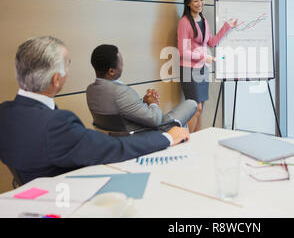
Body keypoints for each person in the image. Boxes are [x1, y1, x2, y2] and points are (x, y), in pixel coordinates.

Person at [0, 36, 190, 185]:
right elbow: (115, 148)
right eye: (68, 65)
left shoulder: (5, 112)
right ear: (56, 80)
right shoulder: (57, 124)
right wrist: (167, 137)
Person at [86, 44, 197, 131]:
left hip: (117, 136)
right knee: (191, 104)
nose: (123, 66)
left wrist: (143, 102)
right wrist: (153, 103)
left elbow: (124, 110)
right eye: (121, 63)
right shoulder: (121, 92)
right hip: (144, 135)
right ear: (111, 71)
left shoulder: (90, 90)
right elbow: (155, 120)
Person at [177, 0, 238, 133]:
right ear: (188, 3)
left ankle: (197, 139)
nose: (200, 3)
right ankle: (187, 139)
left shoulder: (203, 20)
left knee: (201, 108)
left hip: (202, 68)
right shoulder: (184, 22)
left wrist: (227, 27)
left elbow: (211, 42)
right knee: (195, 107)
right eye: (196, 0)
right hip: (189, 69)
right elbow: (183, 52)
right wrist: (205, 57)